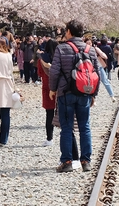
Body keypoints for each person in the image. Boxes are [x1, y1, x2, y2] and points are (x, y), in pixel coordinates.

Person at [49, 19, 100, 173]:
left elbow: (55, 71)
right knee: (85, 127)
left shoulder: (62, 48)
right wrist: (94, 94)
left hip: (65, 93)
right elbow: (96, 72)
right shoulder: (90, 49)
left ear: (69, 31)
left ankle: (67, 162)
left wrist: (53, 89)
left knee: (66, 127)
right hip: (85, 92)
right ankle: (86, 161)